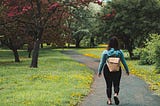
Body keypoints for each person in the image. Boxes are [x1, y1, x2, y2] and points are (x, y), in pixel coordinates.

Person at [97, 36, 129, 105]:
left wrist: (99, 71)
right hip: (117, 69)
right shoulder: (119, 52)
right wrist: (127, 70)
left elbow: (102, 62)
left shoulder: (105, 52)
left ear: (109, 43)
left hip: (107, 69)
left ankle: (109, 100)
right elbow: (123, 62)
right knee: (116, 84)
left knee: (108, 85)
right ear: (117, 43)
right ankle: (115, 94)